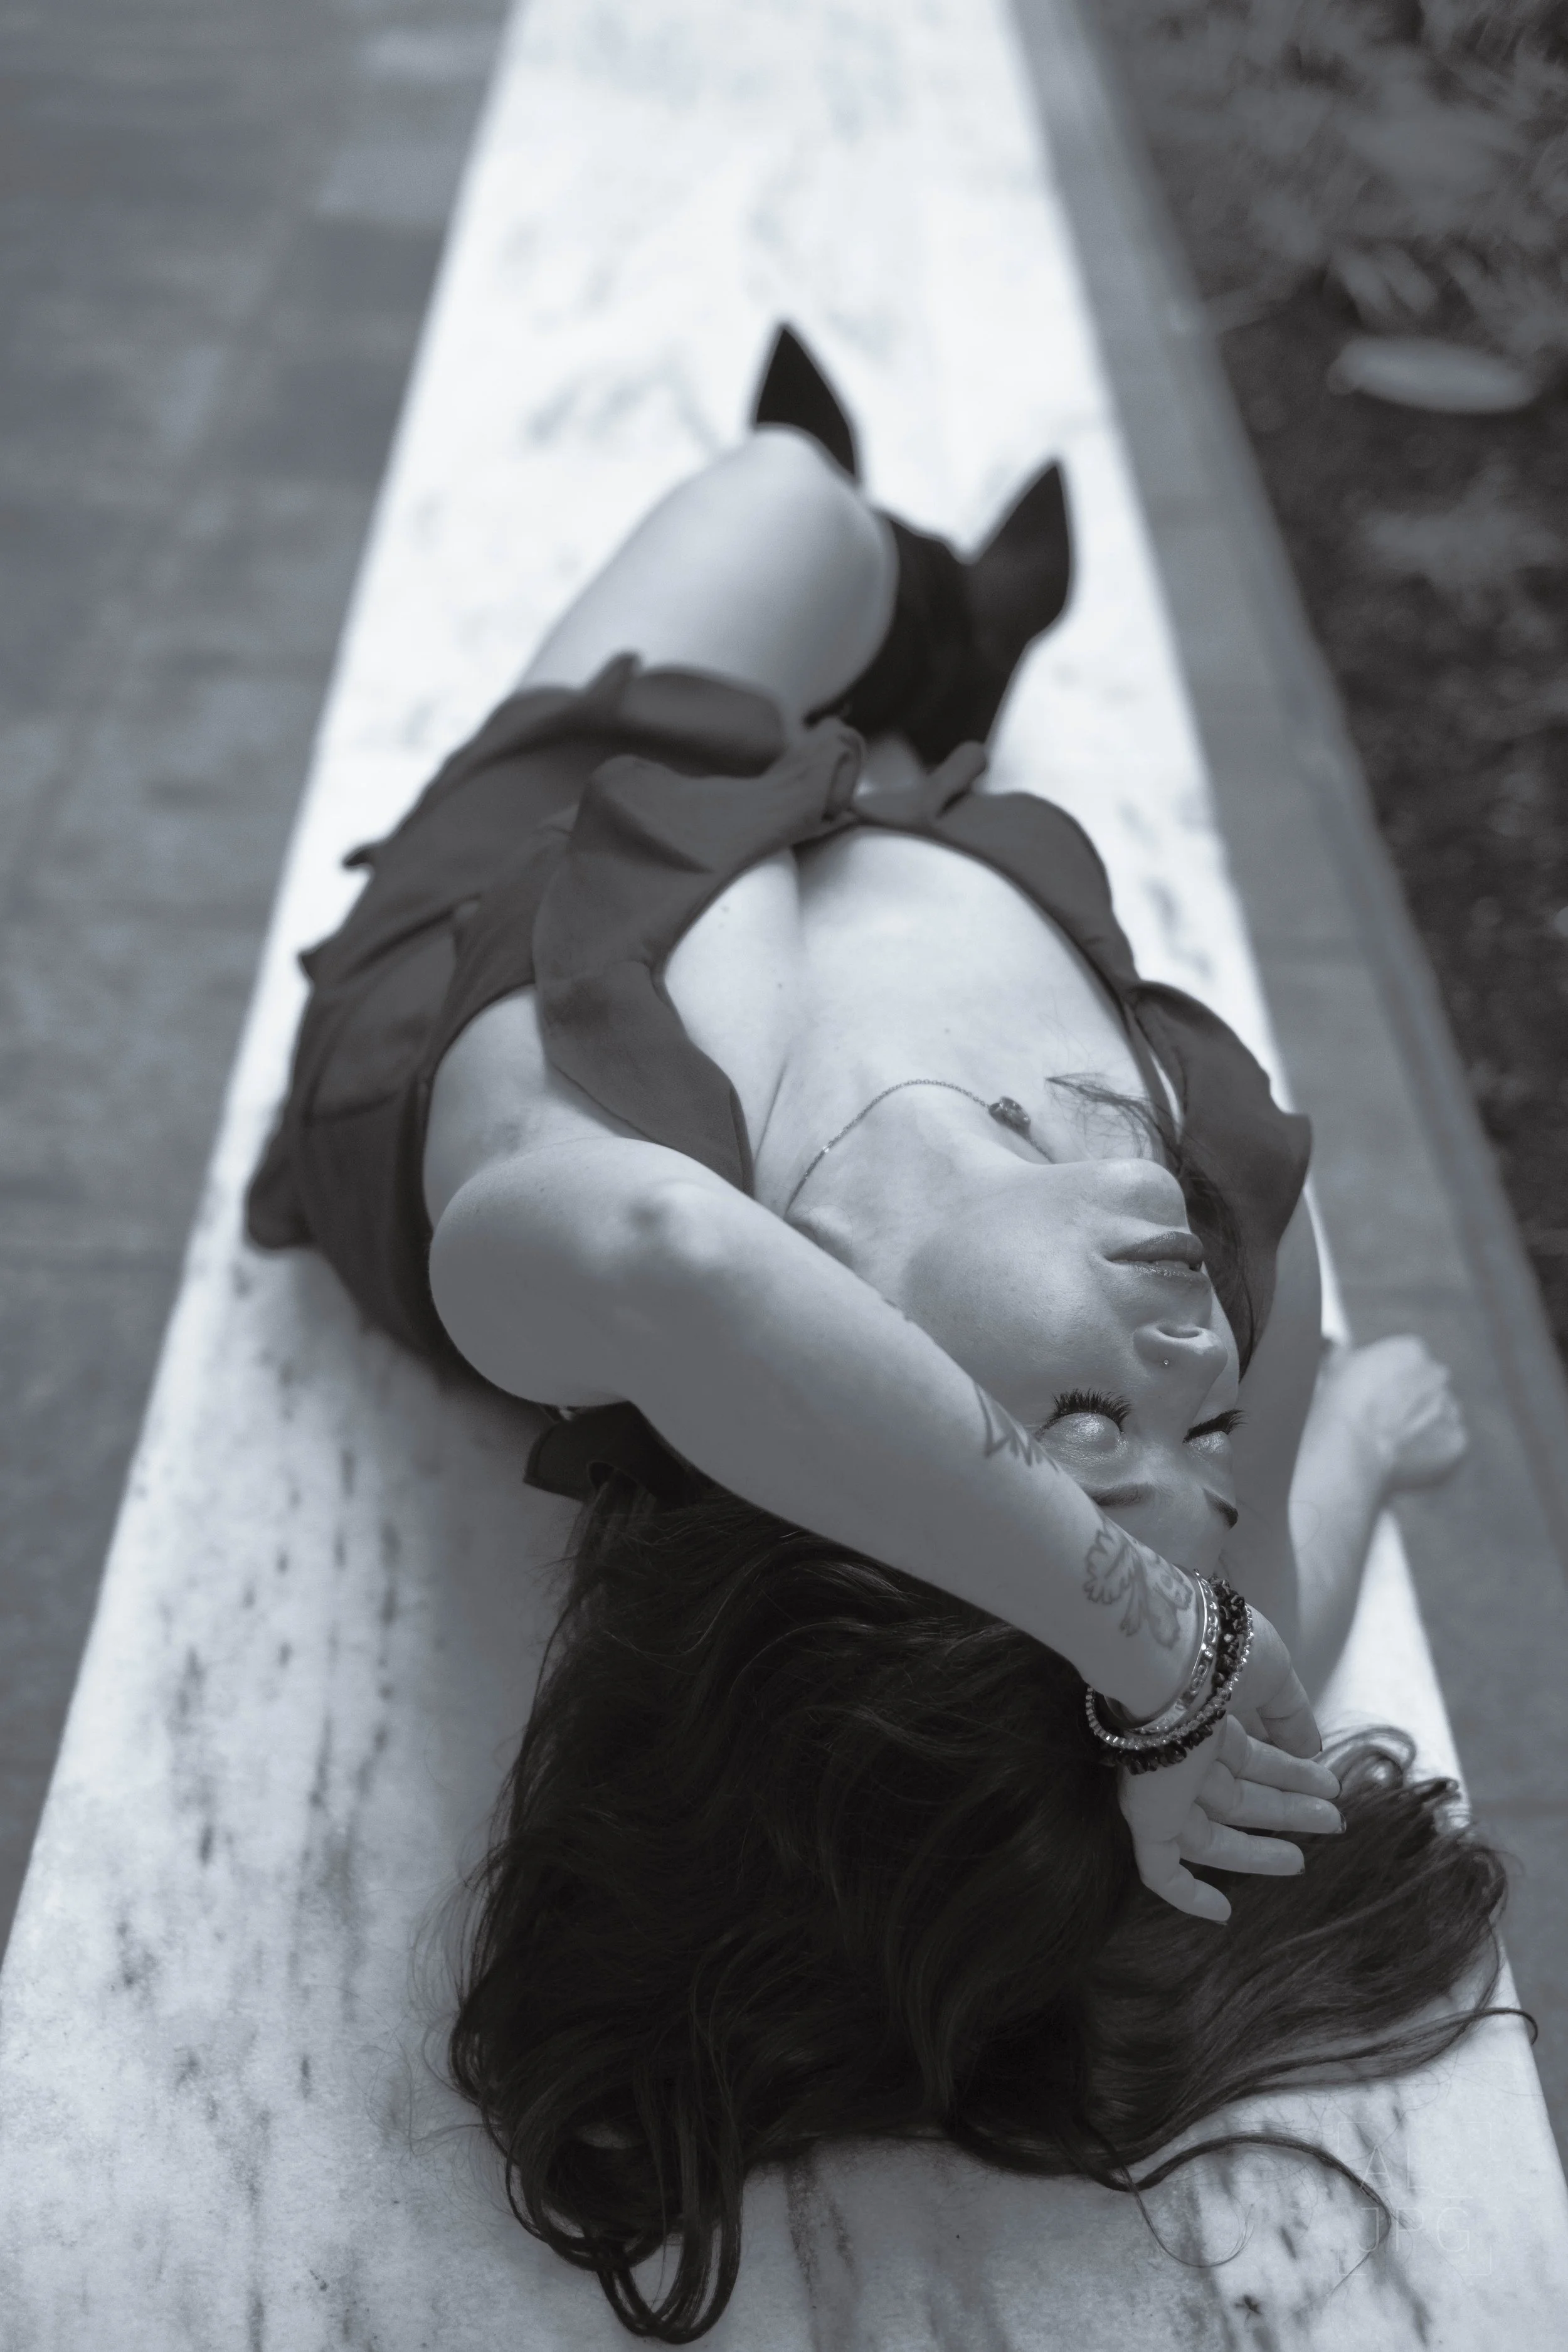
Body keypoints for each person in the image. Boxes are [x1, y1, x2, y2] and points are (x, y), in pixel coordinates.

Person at [250, 330, 1503, 2340]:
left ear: (859, 1416)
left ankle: (918, 609)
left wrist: (1129, 1630)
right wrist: (1334, 1450)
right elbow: (1253, 1614)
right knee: (818, 548)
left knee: (787, 503)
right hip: (854, 836)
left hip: (547, 882)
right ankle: (941, 647)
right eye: (1201, 1445)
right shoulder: (1200, 1290)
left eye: (1088, 1419)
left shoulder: (575, 1234)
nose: (1202, 1371)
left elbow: (678, 1258)